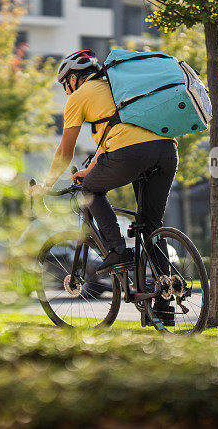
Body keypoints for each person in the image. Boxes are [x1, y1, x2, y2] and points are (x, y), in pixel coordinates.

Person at [31, 49, 179, 320]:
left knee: (89, 189)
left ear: (74, 78)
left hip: (130, 153)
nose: (65, 90)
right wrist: (89, 169)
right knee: (150, 227)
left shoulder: (79, 97)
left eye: (64, 84)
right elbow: (112, 133)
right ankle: (164, 304)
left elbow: (65, 151)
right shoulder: (118, 88)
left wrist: (45, 184)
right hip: (166, 152)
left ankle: (117, 250)